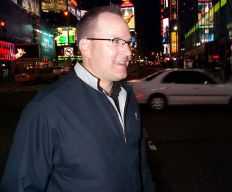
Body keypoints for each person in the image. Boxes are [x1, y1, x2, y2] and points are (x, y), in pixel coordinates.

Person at [0, 5, 155, 192]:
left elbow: (140, 168)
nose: (128, 52)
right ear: (85, 47)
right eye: (116, 41)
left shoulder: (127, 97)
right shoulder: (46, 109)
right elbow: (20, 185)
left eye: (127, 43)